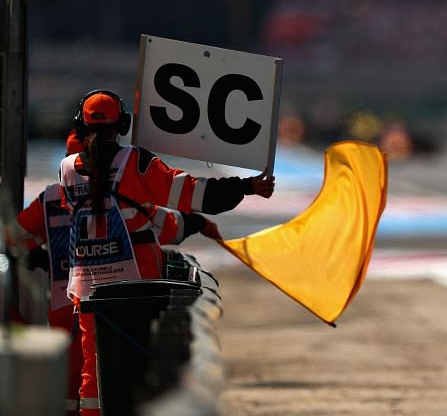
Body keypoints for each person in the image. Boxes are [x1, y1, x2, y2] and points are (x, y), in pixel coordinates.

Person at [60, 89, 274, 415]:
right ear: (124, 124)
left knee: (94, 371)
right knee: (142, 365)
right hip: (136, 285)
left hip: (87, 287)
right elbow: (195, 194)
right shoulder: (136, 163)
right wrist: (246, 186)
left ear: (80, 124)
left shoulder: (66, 170)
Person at [10, 132, 222, 415]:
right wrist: (199, 223)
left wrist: (43, 256)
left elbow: (14, 237)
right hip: (118, 294)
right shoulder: (121, 194)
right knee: (115, 368)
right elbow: (170, 226)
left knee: (77, 382)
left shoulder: (50, 197)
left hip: (67, 300)